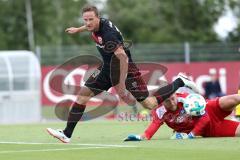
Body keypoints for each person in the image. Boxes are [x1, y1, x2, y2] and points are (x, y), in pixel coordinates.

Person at [46, 5, 198, 143]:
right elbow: (89, 27)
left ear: (98, 18)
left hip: (126, 69)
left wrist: (120, 83)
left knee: (149, 104)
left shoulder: (108, 35)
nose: (88, 23)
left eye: (90, 19)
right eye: (85, 20)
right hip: (107, 67)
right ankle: (67, 134)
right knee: (83, 95)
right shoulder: (95, 24)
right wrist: (78, 29)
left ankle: (180, 81)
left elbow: (123, 57)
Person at [124, 90, 240, 141]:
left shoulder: (185, 98)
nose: (172, 102)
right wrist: (141, 137)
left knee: (235, 98)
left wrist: (191, 135)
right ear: (161, 102)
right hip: (210, 129)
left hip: (210, 108)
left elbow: (205, 116)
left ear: (176, 94)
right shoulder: (160, 111)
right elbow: (152, 129)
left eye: (173, 98)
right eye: (168, 101)